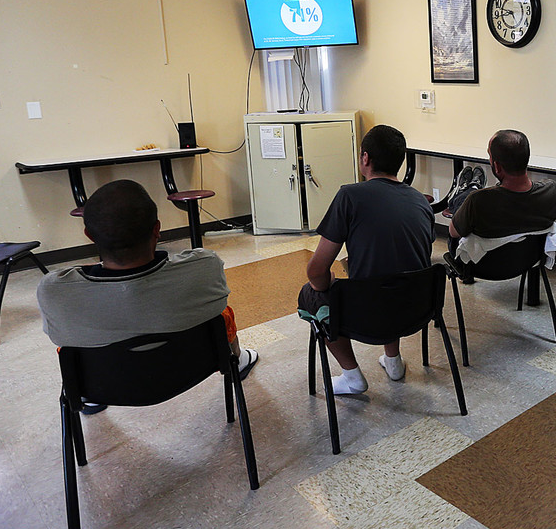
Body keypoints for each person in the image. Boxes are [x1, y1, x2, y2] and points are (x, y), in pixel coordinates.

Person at [37, 179, 258, 414]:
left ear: (89, 235)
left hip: (102, 385)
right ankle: (237, 359)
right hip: (194, 369)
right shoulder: (205, 266)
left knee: (70, 344)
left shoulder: (55, 291)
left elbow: (59, 337)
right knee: (222, 314)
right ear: (157, 229)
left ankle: (86, 395)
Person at [299, 124, 433, 395]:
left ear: (365, 159)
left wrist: (329, 284)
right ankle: (393, 362)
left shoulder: (350, 195)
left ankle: (351, 376)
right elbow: (407, 257)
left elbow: (316, 272)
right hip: (417, 310)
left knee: (311, 294)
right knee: (391, 278)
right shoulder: (421, 201)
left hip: (367, 315)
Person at [445, 129, 556, 277]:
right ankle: (466, 191)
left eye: (489, 155)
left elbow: (453, 232)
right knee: (470, 201)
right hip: (529, 261)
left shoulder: (479, 201)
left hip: (479, 266)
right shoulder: (551, 191)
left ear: (497, 166)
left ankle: (463, 193)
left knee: (464, 201)